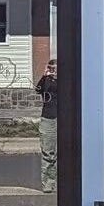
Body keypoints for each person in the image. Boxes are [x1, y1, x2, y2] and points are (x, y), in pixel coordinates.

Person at [35, 57, 58, 193]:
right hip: (48, 118)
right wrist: (45, 76)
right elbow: (38, 90)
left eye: (55, 69)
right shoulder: (46, 80)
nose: (53, 71)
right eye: (51, 68)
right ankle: (49, 183)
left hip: (64, 119)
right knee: (48, 152)